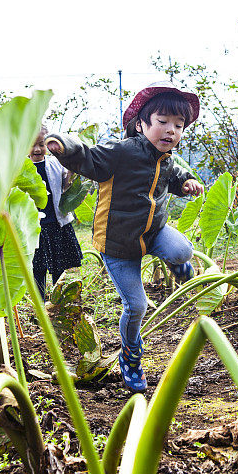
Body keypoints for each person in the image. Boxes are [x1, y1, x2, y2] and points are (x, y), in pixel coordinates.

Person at [45, 81, 203, 392]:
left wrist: (185, 183)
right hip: (118, 245)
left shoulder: (166, 157)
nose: (171, 130)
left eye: (179, 125)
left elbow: (171, 176)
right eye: (162, 122)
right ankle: (130, 357)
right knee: (137, 306)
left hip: (153, 233)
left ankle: (180, 266)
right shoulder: (122, 151)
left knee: (183, 250)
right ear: (142, 123)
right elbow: (89, 157)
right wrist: (64, 147)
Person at [29, 126, 83, 300]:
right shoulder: (22, 168)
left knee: (59, 266)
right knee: (38, 268)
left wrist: (71, 171)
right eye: (32, 145)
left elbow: (64, 186)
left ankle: (58, 301)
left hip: (56, 223)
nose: (37, 149)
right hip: (34, 227)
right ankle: (41, 302)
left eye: (41, 144)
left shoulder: (55, 163)